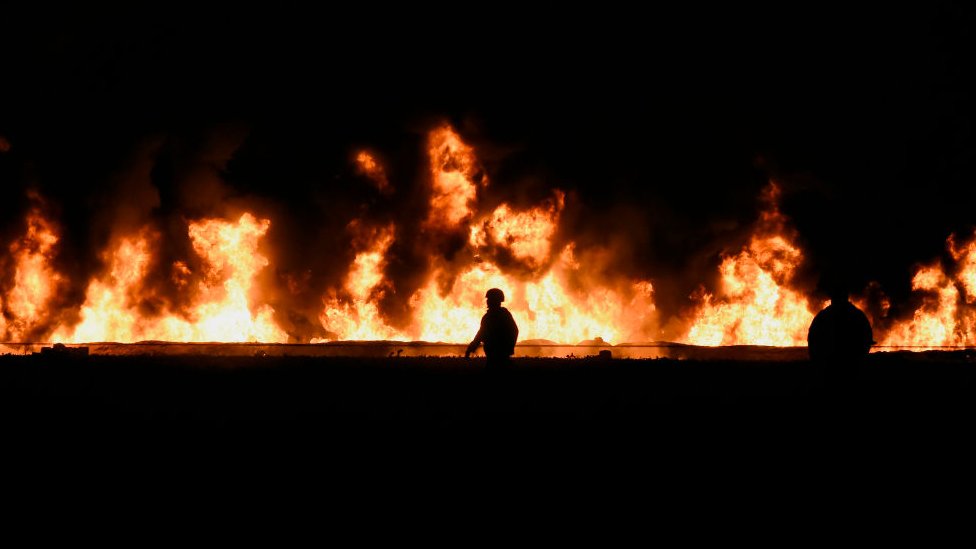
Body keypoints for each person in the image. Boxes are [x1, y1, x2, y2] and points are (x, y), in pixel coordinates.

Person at [807, 284, 874, 363]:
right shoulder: (857, 315)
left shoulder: (822, 316)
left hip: (828, 364)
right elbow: (866, 340)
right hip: (851, 363)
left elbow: (813, 341)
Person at [465, 288, 519, 368]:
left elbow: (481, 335)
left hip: (496, 354)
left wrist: (470, 348)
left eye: (490, 299)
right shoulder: (503, 315)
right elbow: (514, 331)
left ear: (495, 300)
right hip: (498, 354)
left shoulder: (491, 317)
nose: (488, 301)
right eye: (488, 299)